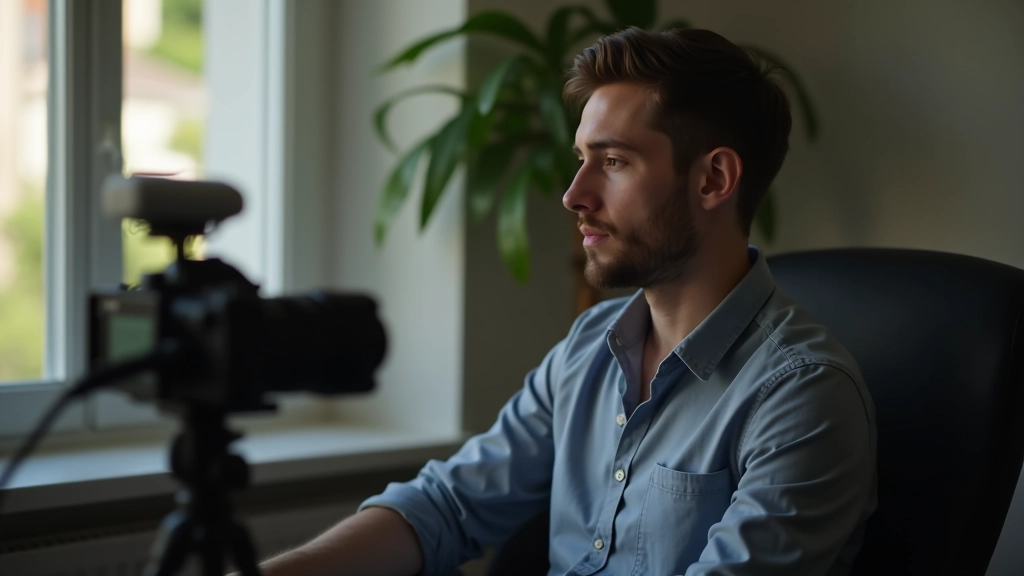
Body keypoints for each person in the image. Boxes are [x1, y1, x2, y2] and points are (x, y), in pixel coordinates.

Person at [257, 27, 876, 576]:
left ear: (713, 179)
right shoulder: (590, 346)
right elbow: (447, 505)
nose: (574, 194)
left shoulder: (802, 395)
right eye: (582, 159)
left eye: (614, 161)